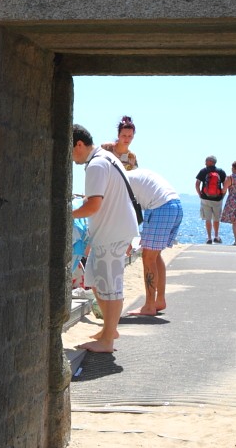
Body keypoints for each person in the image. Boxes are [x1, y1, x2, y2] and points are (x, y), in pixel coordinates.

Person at [71, 124, 139, 352]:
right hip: (110, 231)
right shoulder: (104, 159)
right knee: (93, 278)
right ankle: (110, 330)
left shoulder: (97, 165)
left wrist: (66, 213)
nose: (71, 158)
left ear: (79, 145)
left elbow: (93, 205)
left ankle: (107, 340)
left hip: (112, 232)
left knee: (111, 286)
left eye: (70, 151)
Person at [123, 168, 183, 317]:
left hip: (160, 207)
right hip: (175, 205)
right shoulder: (134, 175)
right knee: (155, 256)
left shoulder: (120, 181)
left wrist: (127, 240)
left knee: (148, 257)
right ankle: (159, 300)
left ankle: (149, 306)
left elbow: (128, 213)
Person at [195, 155, 227, 244]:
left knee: (208, 219)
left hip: (205, 198)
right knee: (216, 219)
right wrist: (222, 196)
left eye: (206, 161)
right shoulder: (221, 171)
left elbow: (197, 184)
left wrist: (200, 194)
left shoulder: (203, 171)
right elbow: (225, 185)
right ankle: (216, 236)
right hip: (217, 199)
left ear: (210, 162)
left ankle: (209, 238)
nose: (205, 162)